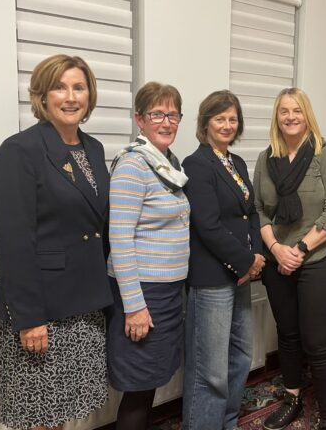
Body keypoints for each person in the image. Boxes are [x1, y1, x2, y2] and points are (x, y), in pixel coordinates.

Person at [0, 54, 112, 430]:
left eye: (79, 87)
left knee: (65, 410)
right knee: (40, 415)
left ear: (90, 95)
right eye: (60, 87)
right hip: (42, 309)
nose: (71, 96)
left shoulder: (93, 149)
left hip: (84, 304)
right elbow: (13, 242)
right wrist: (29, 320)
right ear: (42, 96)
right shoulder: (20, 150)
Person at [254, 87, 326, 430]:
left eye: (296, 110)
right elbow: (260, 211)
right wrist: (277, 249)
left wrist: (300, 249)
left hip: (317, 259)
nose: (290, 117)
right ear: (276, 118)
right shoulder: (267, 159)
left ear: (307, 114)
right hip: (278, 261)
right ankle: (292, 398)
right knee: (288, 335)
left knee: (317, 341)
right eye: (283, 112)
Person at [107, 82, 190, 430]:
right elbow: (120, 239)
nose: (166, 122)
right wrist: (135, 306)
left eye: (173, 114)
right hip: (144, 293)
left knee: (150, 380)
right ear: (139, 119)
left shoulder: (169, 164)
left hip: (167, 291)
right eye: (157, 114)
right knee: (139, 386)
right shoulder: (133, 166)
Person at [181, 90, 265, 430]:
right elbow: (208, 225)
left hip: (241, 274)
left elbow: (252, 214)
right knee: (210, 369)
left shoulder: (238, 163)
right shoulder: (196, 164)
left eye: (233, 119)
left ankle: (226, 422)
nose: (227, 125)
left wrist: (257, 255)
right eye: (220, 119)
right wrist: (246, 261)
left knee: (241, 357)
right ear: (205, 124)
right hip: (212, 278)